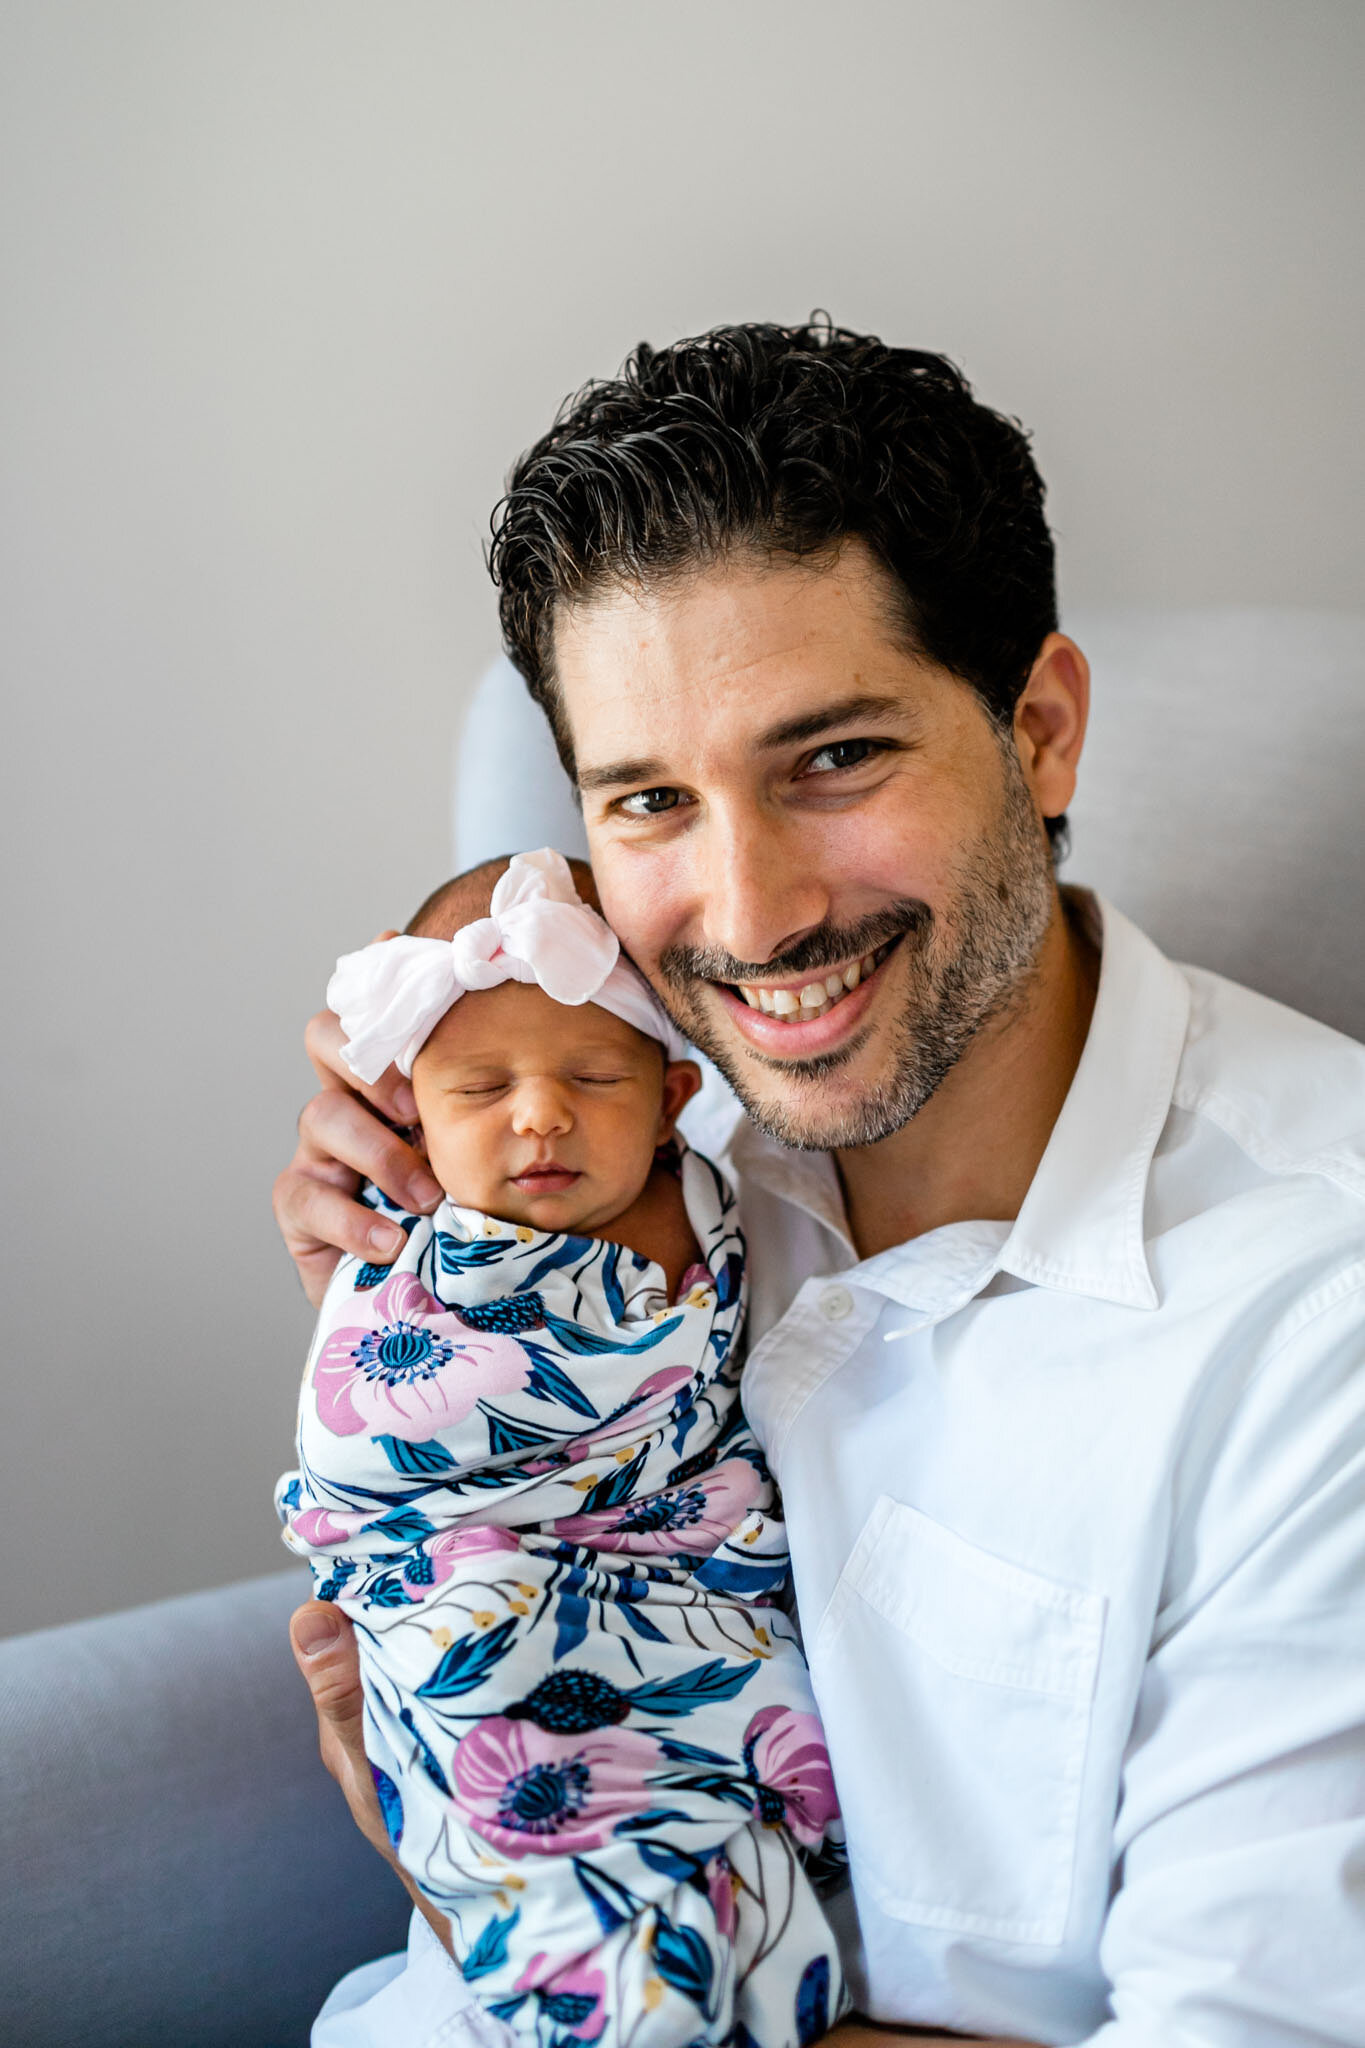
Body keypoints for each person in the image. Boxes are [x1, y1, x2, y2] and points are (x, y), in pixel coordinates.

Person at [275, 319, 1365, 2048]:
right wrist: (432, 1280)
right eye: (648, 799)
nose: (754, 912)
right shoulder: (609, 1157)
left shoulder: (1320, 1315)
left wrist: (534, 1910)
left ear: (1045, 728)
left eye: (835, 759)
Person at [280, 845, 845, 2048]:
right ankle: (601, 1971)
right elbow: (374, 1438)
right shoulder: (421, 1247)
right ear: (409, 1120)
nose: (539, 1114)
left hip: (673, 1560)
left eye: (592, 1072)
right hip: (473, 1564)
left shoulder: (732, 1200)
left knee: (717, 1738)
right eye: (480, 1090)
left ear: (675, 1101)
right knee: (486, 1652)